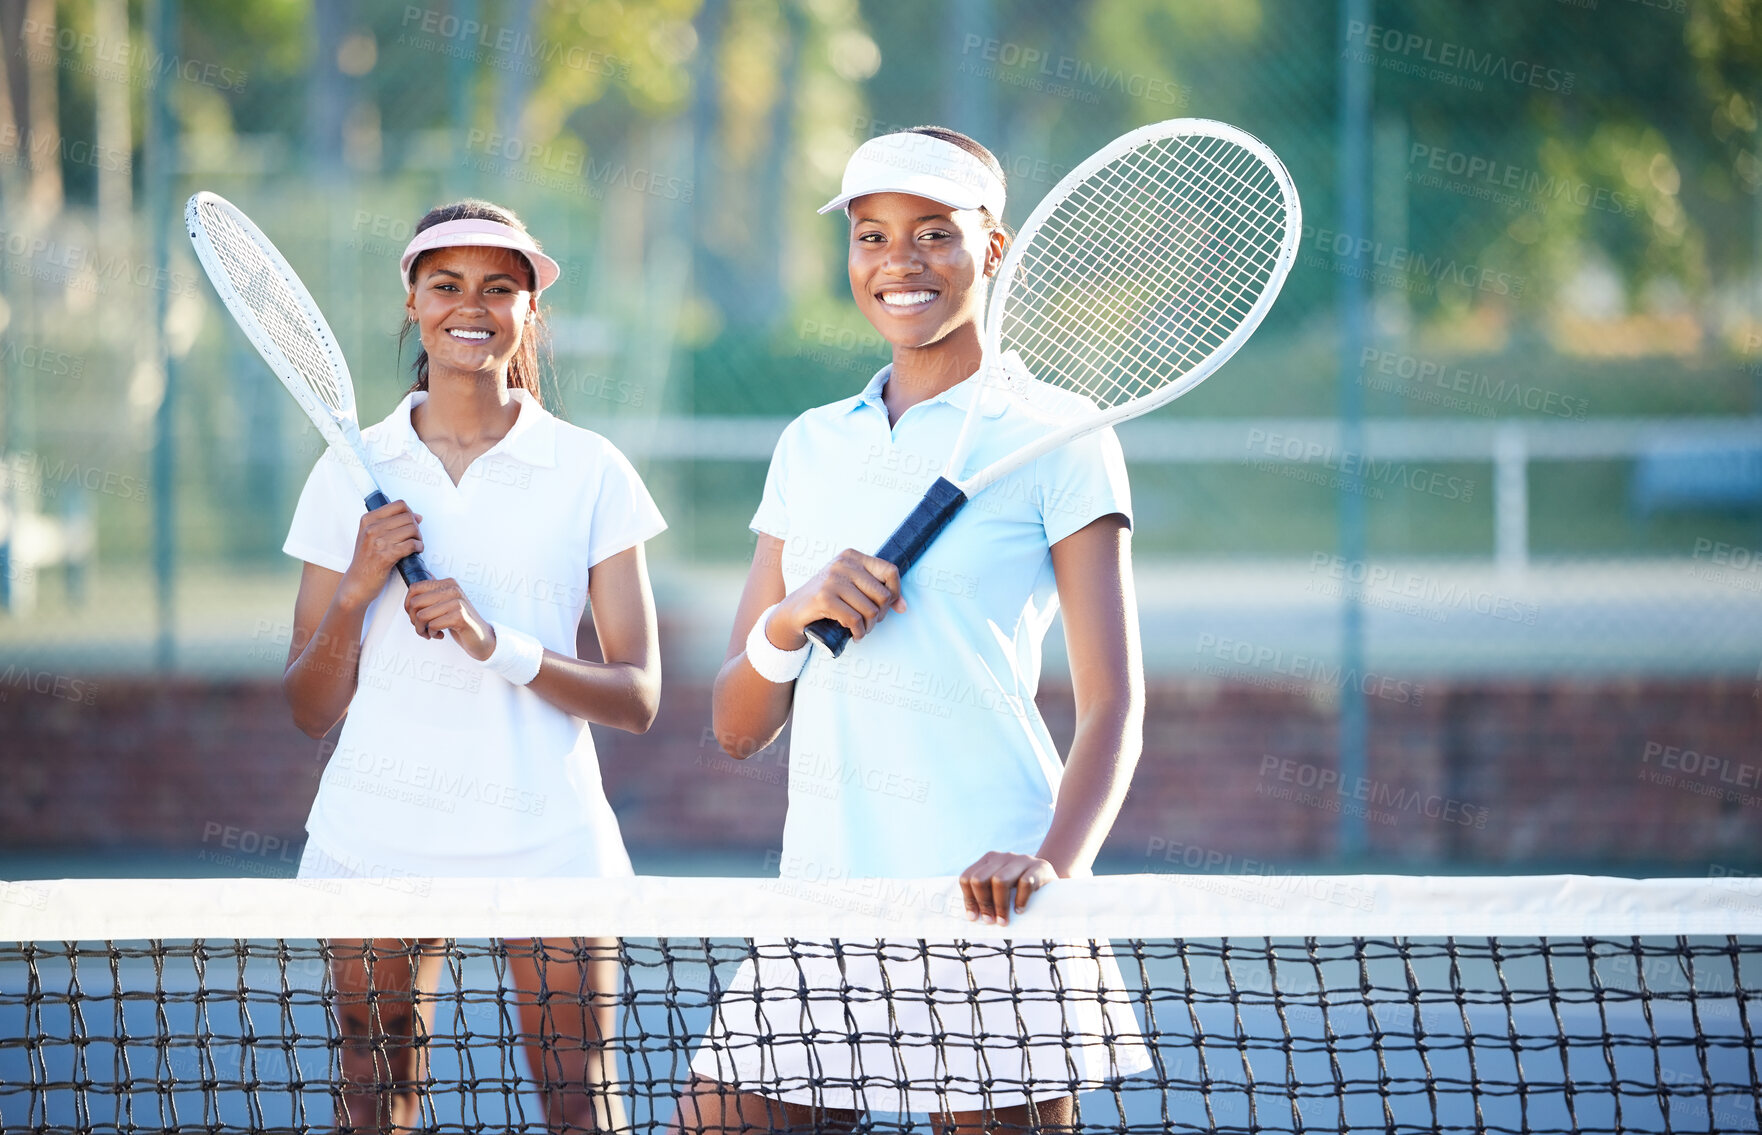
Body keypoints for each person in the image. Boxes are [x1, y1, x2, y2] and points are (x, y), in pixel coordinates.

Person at [672, 127, 1151, 1134]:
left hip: (992, 899)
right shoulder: (809, 443)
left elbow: (1113, 703)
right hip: (824, 905)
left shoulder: (1060, 437)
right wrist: (791, 613)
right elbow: (733, 724)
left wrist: (1050, 866)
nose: (900, 261)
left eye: (934, 232)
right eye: (872, 234)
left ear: (994, 248)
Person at [280, 199, 665, 1131]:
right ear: (411, 301)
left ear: (531, 309)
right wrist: (360, 582)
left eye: (501, 286)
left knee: (580, 1098)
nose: (473, 305)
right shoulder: (351, 467)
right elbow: (308, 705)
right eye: (446, 283)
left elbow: (639, 696)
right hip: (375, 833)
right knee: (376, 1093)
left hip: (550, 836)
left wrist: (503, 648)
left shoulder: (590, 468)